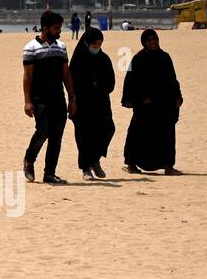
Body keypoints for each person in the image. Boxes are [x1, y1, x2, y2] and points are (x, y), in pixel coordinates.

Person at [21, 10, 76, 185]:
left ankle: (49, 173)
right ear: (45, 28)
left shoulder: (61, 47)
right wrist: (27, 101)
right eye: (56, 28)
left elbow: (66, 74)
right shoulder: (31, 48)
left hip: (58, 98)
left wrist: (72, 98)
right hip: (39, 99)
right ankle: (29, 159)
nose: (59, 31)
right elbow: (27, 77)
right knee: (43, 131)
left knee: (56, 137)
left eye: (59, 27)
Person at [121, 29, 183, 175]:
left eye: (154, 40)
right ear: (144, 43)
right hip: (145, 106)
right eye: (149, 41)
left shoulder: (165, 57)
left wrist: (178, 96)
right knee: (138, 134)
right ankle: (131, 164)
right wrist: (142, 98)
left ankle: (168, 166)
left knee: (166, 134)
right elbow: (131, 82)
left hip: (164, 103)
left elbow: (172, 79)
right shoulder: (138, 59)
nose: (153, 43)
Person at [70, 27, 115, 180]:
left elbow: (111, 83)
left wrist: (98, 85)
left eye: (99, 44)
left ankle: (95, 160)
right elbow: (72, 83)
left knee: (108, 129)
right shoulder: (77, 61)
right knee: (84, 135)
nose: (97, 47)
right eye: (94, 44)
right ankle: (86, 168)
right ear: (86, 43)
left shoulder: (104, 59)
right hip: (82, 104)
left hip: (101, 103)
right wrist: (73, 99)